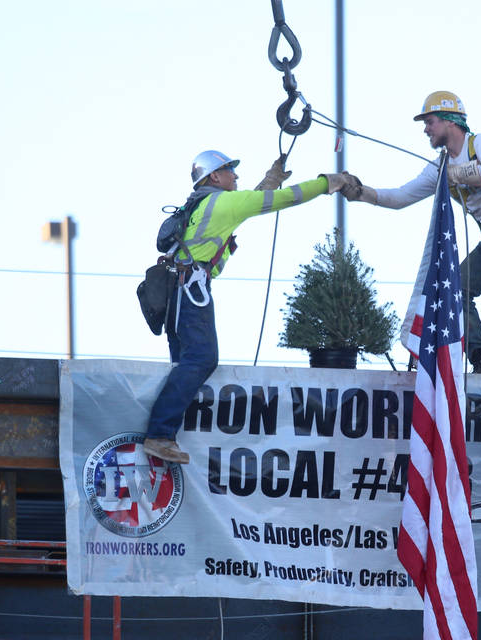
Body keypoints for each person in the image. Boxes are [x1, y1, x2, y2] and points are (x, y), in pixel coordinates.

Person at [143, 150, 356, 464]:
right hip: (191, 289)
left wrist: (270, 180)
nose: (235, 176)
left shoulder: (206, 203)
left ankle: (165, 438)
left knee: (185, 363)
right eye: (230, 170)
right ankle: (160, 434)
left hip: (178, 289)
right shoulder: (224, 203)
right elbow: (286, 199)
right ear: (215, 176)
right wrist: (330, 182)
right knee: (202, 358)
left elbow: (251, 202)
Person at [342, 91, 481, 375]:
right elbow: (400, 197)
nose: (425, 129)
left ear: (450, 122)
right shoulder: (440, 167)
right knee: (455, 294)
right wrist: (360, 192)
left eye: (430, 121)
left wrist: (466, 173)